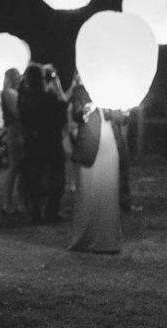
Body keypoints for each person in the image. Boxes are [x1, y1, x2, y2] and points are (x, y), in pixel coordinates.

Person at [68, 83, 121, 253]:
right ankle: (86, 239)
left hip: (108, 145)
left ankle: (108, 241)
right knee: (87, 193)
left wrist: (124, 111)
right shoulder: (80, 90)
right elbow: (76, 114)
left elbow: (120, 118)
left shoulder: (112, 87)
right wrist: (85, 110)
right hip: (89, 145)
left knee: (108, 191)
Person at [18, 63, 68, 224]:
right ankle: (51, 212)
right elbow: (62, 111)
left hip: (32, 143)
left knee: (33, 178)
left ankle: (35, 213)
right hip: (50, 143)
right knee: (56, 178)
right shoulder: (48, 97)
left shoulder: (23, 98)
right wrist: (57, 86)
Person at [1, 68, 25, 215]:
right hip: (15, 133)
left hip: (20, 132)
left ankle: (20, 202)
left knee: (21, 169)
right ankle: (7, 203)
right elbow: (17, 113)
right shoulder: (8, 93)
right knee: (15, 167)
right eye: (16, 75)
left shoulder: (15, 92)